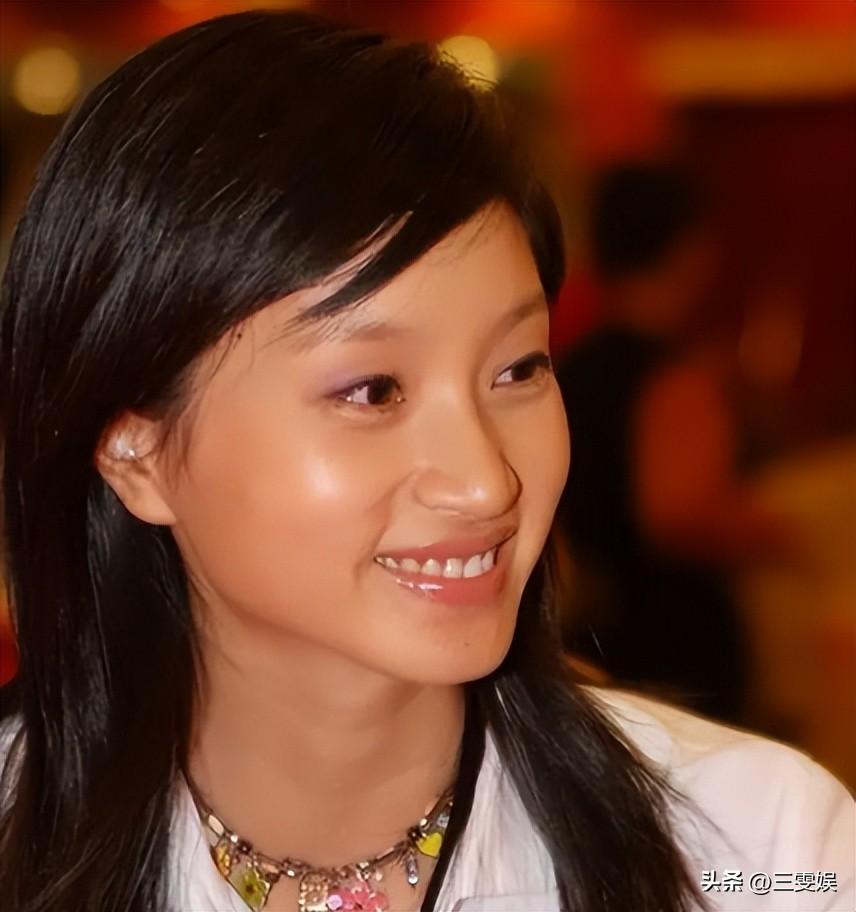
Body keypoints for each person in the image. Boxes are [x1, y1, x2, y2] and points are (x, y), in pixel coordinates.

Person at [0, 11, 851, 912]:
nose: (487, 482)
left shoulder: (759, 848)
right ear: (135, 449)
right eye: (373, 390)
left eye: (517, 370)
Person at [555, 164, 795, 722]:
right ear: (689, 250)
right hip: (675, 647)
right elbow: (676, 513)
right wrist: (781, 534)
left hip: (592, 634)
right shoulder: (672, 376)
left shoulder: (568, 367)